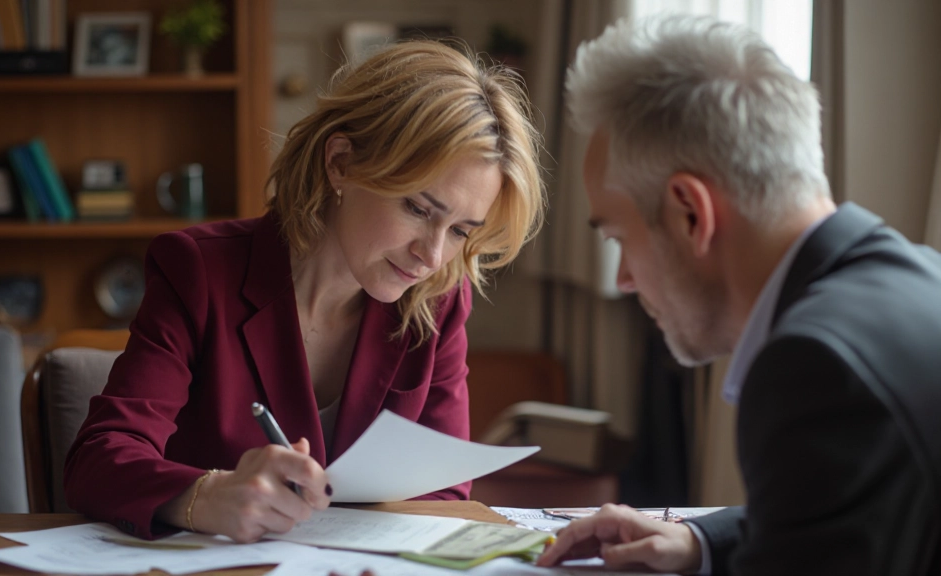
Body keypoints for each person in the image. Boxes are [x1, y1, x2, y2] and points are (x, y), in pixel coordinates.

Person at [64, 40, 545, 543]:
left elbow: (443, 493)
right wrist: (205, 496)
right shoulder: (199, 271)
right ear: (340, 162)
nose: (433, 255)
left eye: (461, 231)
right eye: (419, 209)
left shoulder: (439, 300)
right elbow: (99, 458)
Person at [537, 14, 941, 576]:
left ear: (690, 213)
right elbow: (834, 518)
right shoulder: (918, 279)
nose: (625, 277)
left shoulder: (816, 363)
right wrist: (697, 542)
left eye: (619, 238)